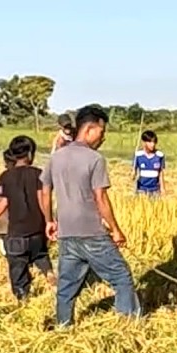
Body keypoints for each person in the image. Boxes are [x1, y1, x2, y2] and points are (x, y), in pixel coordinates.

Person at [39, 104, 141, 327]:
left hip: (66, 233)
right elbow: (100, 198)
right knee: (121, 277)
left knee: (66, 286)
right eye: (101, 132)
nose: (103, 138)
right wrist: (115, 230)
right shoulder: (95, 159)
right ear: (88, 130)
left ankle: (63, 326)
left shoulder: (57, 157)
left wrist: (48, 220)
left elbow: (45, 190)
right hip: (92, 232)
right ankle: (128, 326)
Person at [0, 135, 55, 300]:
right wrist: (49, 220)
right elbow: (43, 199)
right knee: (40, 254)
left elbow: (3, 202)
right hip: (36, 230)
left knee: (17, 266)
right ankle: (48, 271)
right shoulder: (39, 174)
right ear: (30, 154)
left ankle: (22, 297)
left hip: (16, 233)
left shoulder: (6, 177)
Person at [132, 130, 166, 197]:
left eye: (154, 142)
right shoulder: (138, 155)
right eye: (150, 142)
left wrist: (162, 188)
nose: (152, 144)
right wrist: (133, 174)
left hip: (155, 190)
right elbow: (134, 171)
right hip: (141, 190)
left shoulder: (160, 155)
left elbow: (161, 173)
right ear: (144, 142)